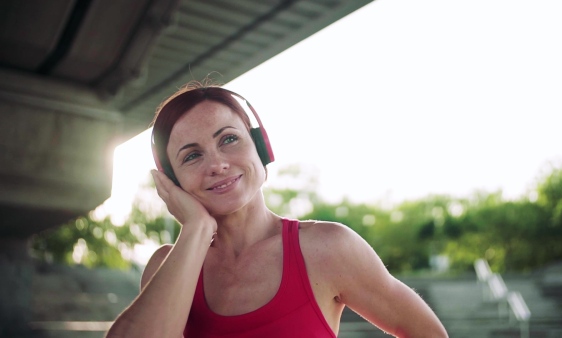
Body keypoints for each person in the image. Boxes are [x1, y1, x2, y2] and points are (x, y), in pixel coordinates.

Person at [106, 81, 448, 338]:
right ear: (172, 181)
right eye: (192, 155)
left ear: (261, 147)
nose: (218, 164)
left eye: (228, 139)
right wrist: (195, 230)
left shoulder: (328, 248)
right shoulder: (167, 266)